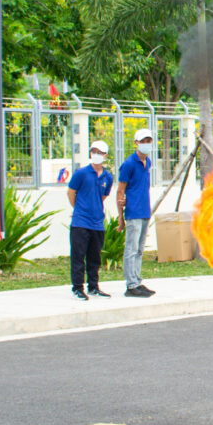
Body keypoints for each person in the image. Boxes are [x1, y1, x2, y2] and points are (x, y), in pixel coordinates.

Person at [67, 140, 114, 300]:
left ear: (105, 155)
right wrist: (79, 208)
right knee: (78, 256)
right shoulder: (81, 173)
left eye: (100, 152)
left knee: (95, 257)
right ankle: (78, 288)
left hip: (97, 223)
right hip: (80, 222)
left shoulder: (108, 176)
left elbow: (103, 196)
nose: (96, 155)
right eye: (94, 151)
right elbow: (71, 193)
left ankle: (93, 286)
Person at [118, 128, 155, 297]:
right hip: (133, 212)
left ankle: (137, 280)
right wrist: (120, 217)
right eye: (143, 141)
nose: (146, 144)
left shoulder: (148, 162)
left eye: (149, 141)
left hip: (145, 210)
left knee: (140, 249)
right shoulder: (128, 164)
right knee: (131, 249)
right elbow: (120, 191)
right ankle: (131, 285)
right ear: (136, 143)